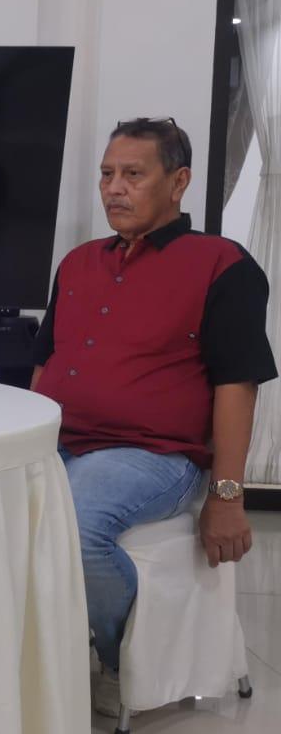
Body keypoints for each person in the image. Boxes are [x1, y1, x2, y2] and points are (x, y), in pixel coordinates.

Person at [31, 118, 276, 717]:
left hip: (153, 454)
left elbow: (237, 385)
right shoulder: (79, 263)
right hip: (61, 441)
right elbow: (44, 366)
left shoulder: (222, 264)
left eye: (133, 175)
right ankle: (27, 657)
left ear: (179, 182)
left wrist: (227, 495)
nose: (114, 188)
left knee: (77, 526)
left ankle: (118, 660)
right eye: (107, 174)